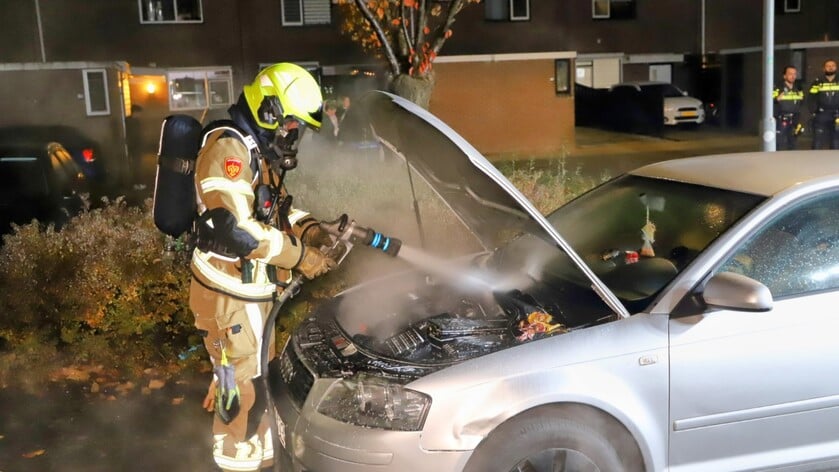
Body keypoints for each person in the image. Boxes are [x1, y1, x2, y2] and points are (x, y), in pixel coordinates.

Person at [189, 62, 337, 472]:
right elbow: (235, 231)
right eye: (290, 124)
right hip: (228, 297)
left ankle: (253, 446)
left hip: (248, 296)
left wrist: (312, 229)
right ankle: (235, 455)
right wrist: (299, 256)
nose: (293, 134)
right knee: (243, 386)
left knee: (244, 375)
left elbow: (272, 211)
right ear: (269, 110)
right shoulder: (228, 151)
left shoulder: (259, 151)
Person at [809, 59, 839, 149]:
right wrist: (814, 111)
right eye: (828, 66)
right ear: (824, 69)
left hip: (837, 114)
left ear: (836, 67)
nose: (830, 68)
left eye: (833, 65)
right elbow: (811, 98)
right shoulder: (817, 82)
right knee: (817, 140)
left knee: (836, 141)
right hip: (821, 114)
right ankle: (815, 161)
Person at [773, 65, 804, 150]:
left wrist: (798, 121)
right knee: (779, 144)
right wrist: (776, 99)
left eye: (794, 74)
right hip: (781, 120)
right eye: (790, 74)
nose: (793, 76)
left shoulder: (798, 88)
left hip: (793, 120)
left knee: (793, 144)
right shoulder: (778, 88)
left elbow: (800, 104)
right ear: (784, 76)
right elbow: (769, 102)